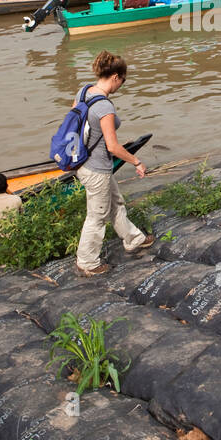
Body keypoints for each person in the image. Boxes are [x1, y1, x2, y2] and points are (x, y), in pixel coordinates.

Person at [73, 51, 151, 276]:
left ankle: (134, 239)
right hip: (96, 169)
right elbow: (113, 147)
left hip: (83, 162)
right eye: (123, 80)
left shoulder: (83, 91)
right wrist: (137, 161)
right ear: (116, 76)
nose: (122, 85)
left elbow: (75, 123)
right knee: (97, 216)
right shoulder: (105, 107)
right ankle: (87, 262)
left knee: (116, 202)